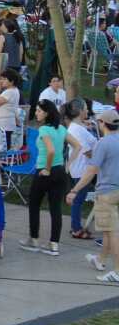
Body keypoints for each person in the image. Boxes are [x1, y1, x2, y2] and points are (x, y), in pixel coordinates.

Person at [19, 99, 77, 256]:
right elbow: (78, 146)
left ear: (47, 113)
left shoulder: (44, 129)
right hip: (60, 172)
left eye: (39, 111)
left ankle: (34, 239)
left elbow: (50, 151)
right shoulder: (61, 129)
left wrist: (47, 169)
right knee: (55, 208)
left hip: (45, 171)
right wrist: (67, 165)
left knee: (34, 204)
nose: (36, 113)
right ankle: (54, 245)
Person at [67, 109, 119, 282]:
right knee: (107, 229)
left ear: (103, 124)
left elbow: (91, 170)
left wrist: (75, 190)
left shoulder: (103, 143)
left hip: (107, 192)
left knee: (113, 233)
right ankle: (101, 260)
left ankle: (118, 272)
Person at [63, 99, 98, 240]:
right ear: (79, 111)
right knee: (78, 198)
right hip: (82, 168)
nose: (87, 111)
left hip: (81, 166)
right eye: (85, 108)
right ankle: (76, 228)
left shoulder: (77, 126)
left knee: (79, 198)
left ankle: (75, 226)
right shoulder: (75, 130)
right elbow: (87, 152)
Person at [0, 69, 21, 148]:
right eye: (1, 78)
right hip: (4, 125)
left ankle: (2, 160)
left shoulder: (10, 92)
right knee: (3, 147)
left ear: (12, 81)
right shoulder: (13, 91)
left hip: (4, 125)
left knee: (2, 148)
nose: (1, 81)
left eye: (4, 79)